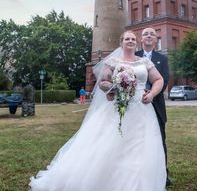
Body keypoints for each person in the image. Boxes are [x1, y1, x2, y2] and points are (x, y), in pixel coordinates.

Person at [29, 30, 166, 191]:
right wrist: (112, 87)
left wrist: (152, 94)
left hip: (142, 110)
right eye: (127, 39)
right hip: (117, 106)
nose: (130, 41)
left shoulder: (144, 62)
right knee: (112, 143)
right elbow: (103, 82)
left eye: (133, 39)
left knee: (139, 147)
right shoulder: (113, 61)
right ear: (121, 42)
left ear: (136, 43)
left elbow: (158, 79)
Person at [135, 27, 172, 187]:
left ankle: (163, 174)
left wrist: (152, 93)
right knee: (136, 140)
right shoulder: (133, 56)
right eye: (145, 34)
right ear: (141, 39)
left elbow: (164, 79)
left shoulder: (162, 59)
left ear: (156, 39)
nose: (149, 36)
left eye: (152, 34)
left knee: (159, 140)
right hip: (135, 106)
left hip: (156, 105)